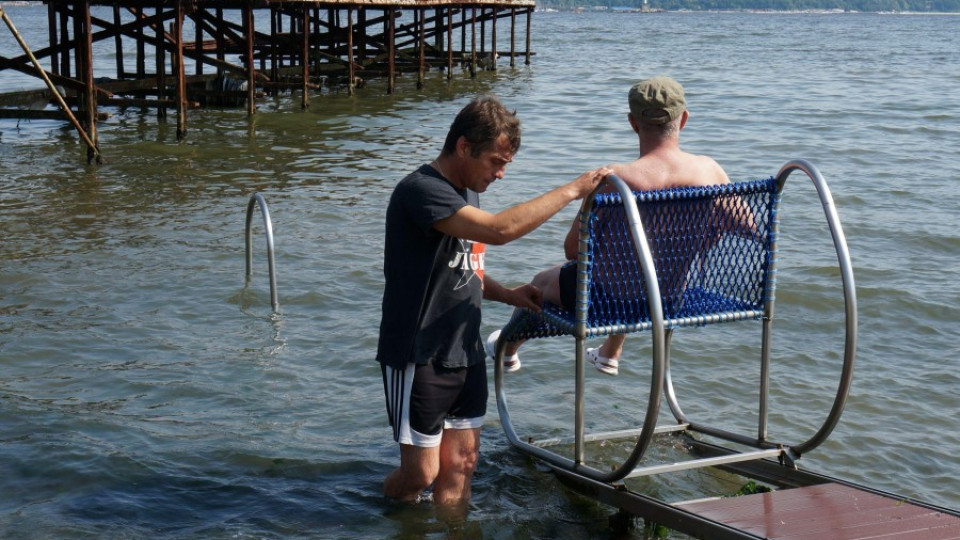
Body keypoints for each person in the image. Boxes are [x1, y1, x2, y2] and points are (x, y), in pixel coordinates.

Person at [377, 94, 611, 507]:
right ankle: (378, 516)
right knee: (421, 475)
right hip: (420, 354)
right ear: (464, 147)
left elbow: (462, 268)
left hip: (464, 350)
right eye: (496, 162)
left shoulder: (468, 191)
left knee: (463, 465)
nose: (501, 174)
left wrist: (507, 293)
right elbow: (500, 231)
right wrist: (574, 189)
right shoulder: (421, 191)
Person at [487, 76, 731, 376]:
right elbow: (748, 225)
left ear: (632, 123)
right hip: (668, 298)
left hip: (607, 302)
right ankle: (609, 353)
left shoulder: (615, 180)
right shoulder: (711, 171)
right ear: (684, 120)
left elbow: (573, 249)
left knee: (542, 280)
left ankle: (507, 350)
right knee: (640, 262)